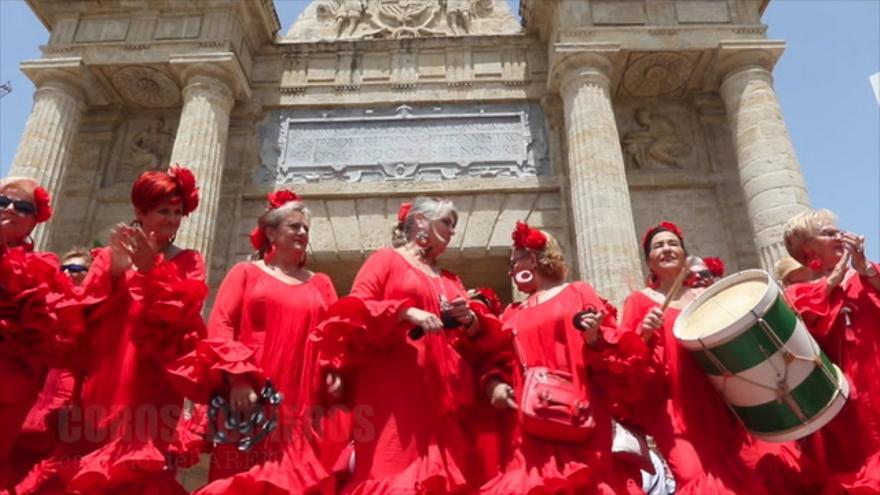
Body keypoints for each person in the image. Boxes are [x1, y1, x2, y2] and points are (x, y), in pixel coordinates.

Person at [16, 166, 208, 494]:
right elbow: (78, 317)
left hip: (153, 383)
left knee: (140, 468)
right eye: (163, 211)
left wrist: (150, 271)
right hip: (105, 375)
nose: (173, 219)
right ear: (140, 212)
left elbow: (183, 320)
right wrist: (114, 274)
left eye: (178, 212)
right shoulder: (107, 257)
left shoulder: (190, 261)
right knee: (90, 461)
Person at [313, 196, 503, 494]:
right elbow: (355, 309)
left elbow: (473, 341)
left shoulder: (450, 278)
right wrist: (405, 312)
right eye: (446, 222)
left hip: (443, 394)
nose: (452, 231)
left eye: (454, 225)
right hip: (393, 388)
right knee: (392, 468)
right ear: (420, 223)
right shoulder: (386, 260)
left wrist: (469, 320)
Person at [616, 221, 809, 494]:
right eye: (659, 246)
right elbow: (625, 360)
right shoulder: (639, 301)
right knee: (696, 475)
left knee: (750, 468)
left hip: (722, 397)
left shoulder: (703, 297)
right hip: (674, 407)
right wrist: (644, 332)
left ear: (684, 255)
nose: (667, 249)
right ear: (649, 260)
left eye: (673, 244)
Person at [169, 189, 336, 494]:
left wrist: (335, 377)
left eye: (306, 229)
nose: (302, 232)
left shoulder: (322, 283)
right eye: (295, 226)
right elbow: (221, 325)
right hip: (253, 396)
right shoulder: (245, 272)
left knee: (297, 480)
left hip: (302, 399)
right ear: (271, 232)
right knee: (242, 477)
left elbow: (335, 337)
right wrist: (238, 380)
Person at [479, 221, 644, 494]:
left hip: (579, 414)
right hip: (531, 422)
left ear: (532, 258)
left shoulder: (577, 292)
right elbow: (499, 359)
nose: (511, 271)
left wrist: (594, 339)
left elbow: (614, 353)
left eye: (514, 262)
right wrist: (494, 383)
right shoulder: (512, 312)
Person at [783, 209, 880, 493]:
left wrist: (866, 270)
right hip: (844, 401)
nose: (839, 237)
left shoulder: (866, 275)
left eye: (839, 232)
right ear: (807, 247)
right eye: (828, 233)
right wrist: (833, 280)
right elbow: (804, 321)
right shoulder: (798, 293)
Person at [0, 178, 83, 490]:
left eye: (23, 207)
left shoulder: (44, 268)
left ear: (35, 220)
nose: (10, 209)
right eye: (2, 202)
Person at [14, 248, 94, 480]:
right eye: (64, 269)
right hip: (28, 414)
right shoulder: (42, 311)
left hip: (70, 421)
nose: (69, 273)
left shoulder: (98, 315)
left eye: (77, 269)